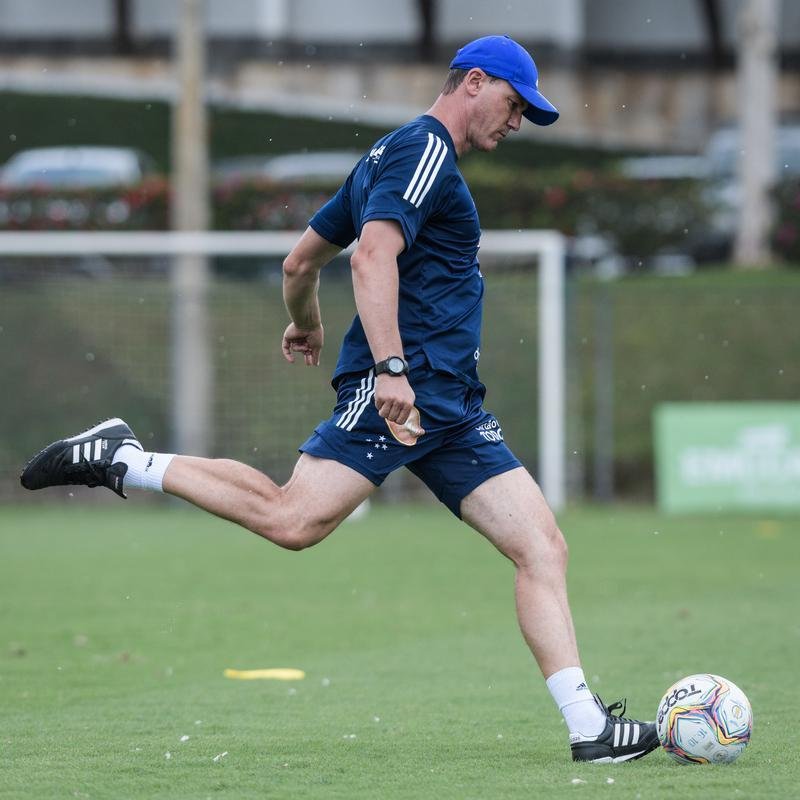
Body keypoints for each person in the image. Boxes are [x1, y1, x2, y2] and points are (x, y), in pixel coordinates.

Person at [21, 35, 658, 763]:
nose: (517, 123)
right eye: (516, 106)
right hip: (405, 392)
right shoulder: (423, 151)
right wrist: (389, 368)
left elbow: (301, 260)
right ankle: (124, 458)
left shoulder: (390, 158)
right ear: (474, 82)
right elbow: (371, 254)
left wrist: (306, 320)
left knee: (542, 546)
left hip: (452, 410)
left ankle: (589, 731)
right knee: (294, 519)